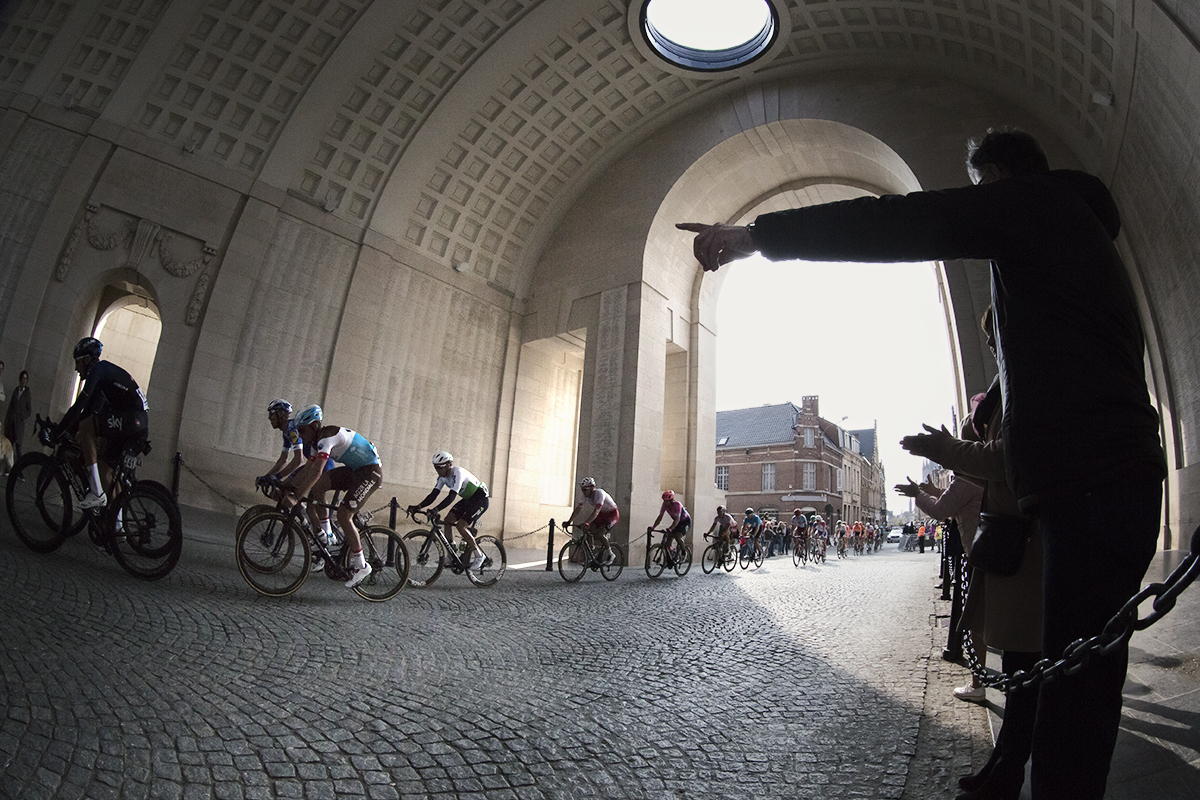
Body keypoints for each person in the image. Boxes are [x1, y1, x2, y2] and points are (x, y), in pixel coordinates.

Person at [679, 127, 1165, 800]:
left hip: (1087, 481)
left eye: (977, 190)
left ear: (992, 176)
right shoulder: (1079, 228)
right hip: (1111, 473)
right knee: (1086, 687)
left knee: (1069, 700)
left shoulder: (1029, 204)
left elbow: (902, 222)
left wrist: (758, 236)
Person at [283, 404, 382, 588]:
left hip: (370, 473)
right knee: (319, 487)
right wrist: (287, 484)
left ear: (313, 426)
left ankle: (361, 565)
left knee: (344, 515)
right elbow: (307, 470)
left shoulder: (327, 438)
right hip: (355, 470)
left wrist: (296, 497)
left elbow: (316, 472)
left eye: (302, 430)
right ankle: (326, 532)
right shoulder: (316, 443)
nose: (301, 435)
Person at [55, 337, 149, 509]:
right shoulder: (103, 376)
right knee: (106, 472)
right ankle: (119, 529)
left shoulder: (98, 369)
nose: (76, 368)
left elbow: (79, 406)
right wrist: (70, 428)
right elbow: (88, 411)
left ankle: (96, 493)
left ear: (86, 359)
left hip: (132, 419)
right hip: (137, 422)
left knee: (86, 428)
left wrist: (57, 432)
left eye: (77, 362)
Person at [408, 451, 490, 570]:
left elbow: (451, 497)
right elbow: (433, 495)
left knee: (461, 526)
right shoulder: (442, 478)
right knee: (448, 520)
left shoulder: (458, 473)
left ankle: (479, 555)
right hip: (468, 499)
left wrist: (436, 509)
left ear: (448, 465)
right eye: (435, 467)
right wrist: (418, 506)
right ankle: (451, 554)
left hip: (480, 499)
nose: (437, 470)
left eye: (439, 467)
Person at [569, 477, 619, 565]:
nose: (583, 492)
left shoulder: (600, 493)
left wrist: (586, 522)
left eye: (585, 490)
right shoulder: (586, 496)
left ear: (592, 488)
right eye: (582, 490)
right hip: (602, 514)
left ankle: (611, 554)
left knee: (599, 534)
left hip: (612, 514)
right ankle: (591, 555)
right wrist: (569, 521)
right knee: (588, 530)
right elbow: (578, 509)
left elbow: (596, 511)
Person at [260, 399, 304, 484]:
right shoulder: (286, 432)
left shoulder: (293, 430)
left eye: (271, 414)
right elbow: (283, 460)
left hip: (317, 465)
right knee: (280, 492)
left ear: (280, 414)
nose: (269, 418)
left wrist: (277, 477)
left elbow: (298, 460)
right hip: (313, 464)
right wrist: (267, 476)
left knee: (285, 490)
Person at [648, 490, 691, 558]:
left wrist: (670, 528)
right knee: (669, 537)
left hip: (685, 521)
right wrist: (653, 527)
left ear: (671, 500)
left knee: (677, 536)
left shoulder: (677, 504)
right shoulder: (664, 505)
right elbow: (660, 517)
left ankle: (683, 551)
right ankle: (670, 556)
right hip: (677, 522)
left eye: (666, 501)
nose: (665, 502)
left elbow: (677, 520)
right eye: (664, 501)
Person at [5, 369, 31, 462]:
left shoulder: (27, 393)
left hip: (19, 423)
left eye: (26, 379)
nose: (24, 381)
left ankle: (20, 469)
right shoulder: (16, 390)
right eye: (23, 378)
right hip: (12, 421)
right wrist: (8, 420)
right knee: (10, 445)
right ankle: (8, 466)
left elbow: (29, 410)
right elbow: (11, 406)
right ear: (20, 379)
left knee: (18, 447)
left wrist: (22, 416)